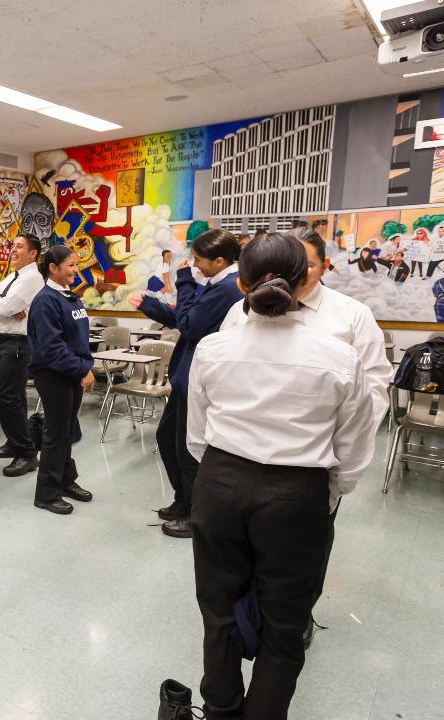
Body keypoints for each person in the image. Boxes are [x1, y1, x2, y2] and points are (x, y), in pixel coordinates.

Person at [184, 232, 375, 719]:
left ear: (241, 281)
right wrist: (327, 495)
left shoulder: (213, 347)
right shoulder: (337, 355)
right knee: (285, 623)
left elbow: (197, 434)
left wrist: (222, 475)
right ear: (303, 279)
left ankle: (221, 708)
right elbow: (352, 447)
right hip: (297, 493)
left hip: (221, 484)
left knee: (218, 611)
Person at [222, 231, 390, 649]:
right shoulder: (240, 312)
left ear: (318, 268)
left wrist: (340, 475)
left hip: (312, 466)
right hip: (242, 462)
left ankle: (294, 617)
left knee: (300, 563)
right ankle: (249, 622)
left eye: (305, 264)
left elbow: (373, 392)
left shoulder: (350, 316)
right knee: (242, 558)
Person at [132, 229, 243, 539]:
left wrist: (184, 283)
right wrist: (150, 305)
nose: (194, 266)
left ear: (220, 260)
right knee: (168, 439)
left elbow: (191, 324)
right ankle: (184, 500)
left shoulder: (228, 289)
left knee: (188, 449)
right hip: (186, 377)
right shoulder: (216, 283)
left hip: (199, 378)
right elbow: (185, 318)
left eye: (199, 261)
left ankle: (197, 514)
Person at [28, 245, 96, 515]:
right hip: (53, 374)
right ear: (53, 268)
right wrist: (81, 369)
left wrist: (80, 367)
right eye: (70, 265)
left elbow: (76, 340)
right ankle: (46, 493)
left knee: (67, 429)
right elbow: (51, 348)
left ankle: (66, 481)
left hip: (70, 372)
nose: (76, 270)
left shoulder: (70, 298)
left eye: (76, 265)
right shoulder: (45, 301)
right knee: (56, 433)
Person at [0, 234, 45, 477]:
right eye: (13, 246)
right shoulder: (13, 276)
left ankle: (27, 453)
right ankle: (15, 442)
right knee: (16, 397)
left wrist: (4, 306)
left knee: (7, 398)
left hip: (19, 345)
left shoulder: (33, 278)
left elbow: (3, 307)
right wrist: (3, 305)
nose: (13, 250)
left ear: (33, 253)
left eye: (19, 247)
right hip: (4, 342)